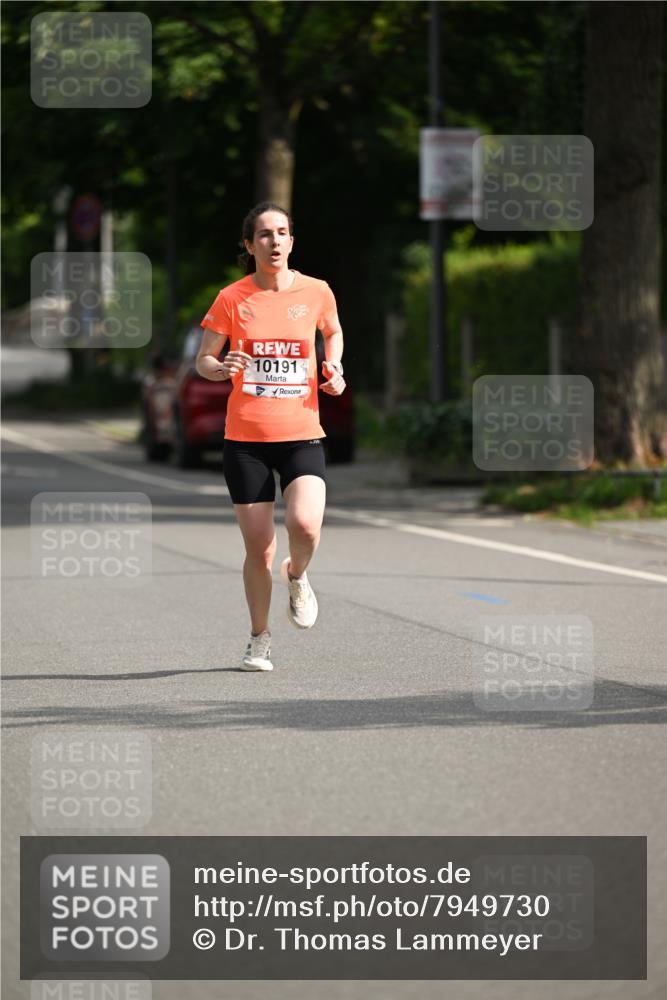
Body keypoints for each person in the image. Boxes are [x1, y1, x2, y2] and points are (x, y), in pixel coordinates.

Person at [196, 202, 346, 672]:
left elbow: (333, 331)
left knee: (305, 526)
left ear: (291, 241)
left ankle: (297, 576)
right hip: (246, 441)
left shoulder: (316, 290)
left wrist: (334, 365)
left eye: (282, 232)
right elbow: (204, 359)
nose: (274, 241)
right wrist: (221, 367)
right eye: (264, 234)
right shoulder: (232, 298)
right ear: (250, 244)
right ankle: (259, 639)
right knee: (259, 549)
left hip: (302, 433)